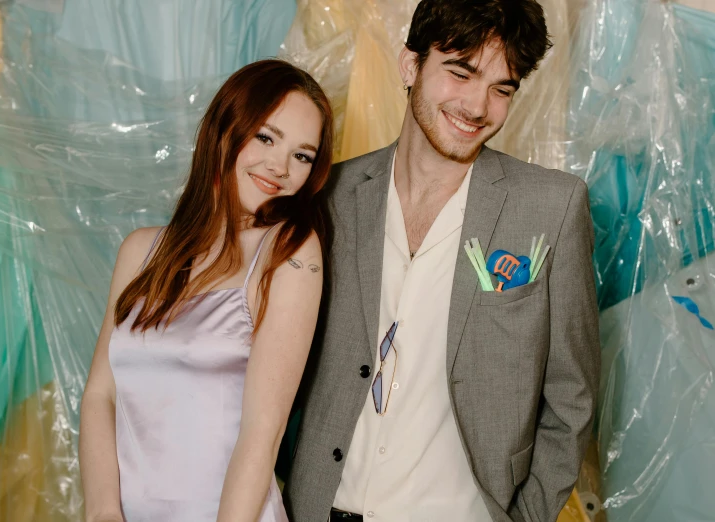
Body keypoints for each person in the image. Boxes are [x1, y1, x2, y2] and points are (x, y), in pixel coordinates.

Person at [284, 1, 600, 521]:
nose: (478, 106)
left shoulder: (551, 207)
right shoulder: (330, 196)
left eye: (503, 88)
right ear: (411, 66)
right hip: (324, 508)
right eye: (461, 72)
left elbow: (573, 397)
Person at [79, 59, 333, 522]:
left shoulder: (292, 251)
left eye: (302, 155)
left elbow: (265, 429)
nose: (279, 166)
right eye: (266, 137)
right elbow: (101, 394)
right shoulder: (139, 251)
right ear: (226, 129)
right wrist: (102, 512)